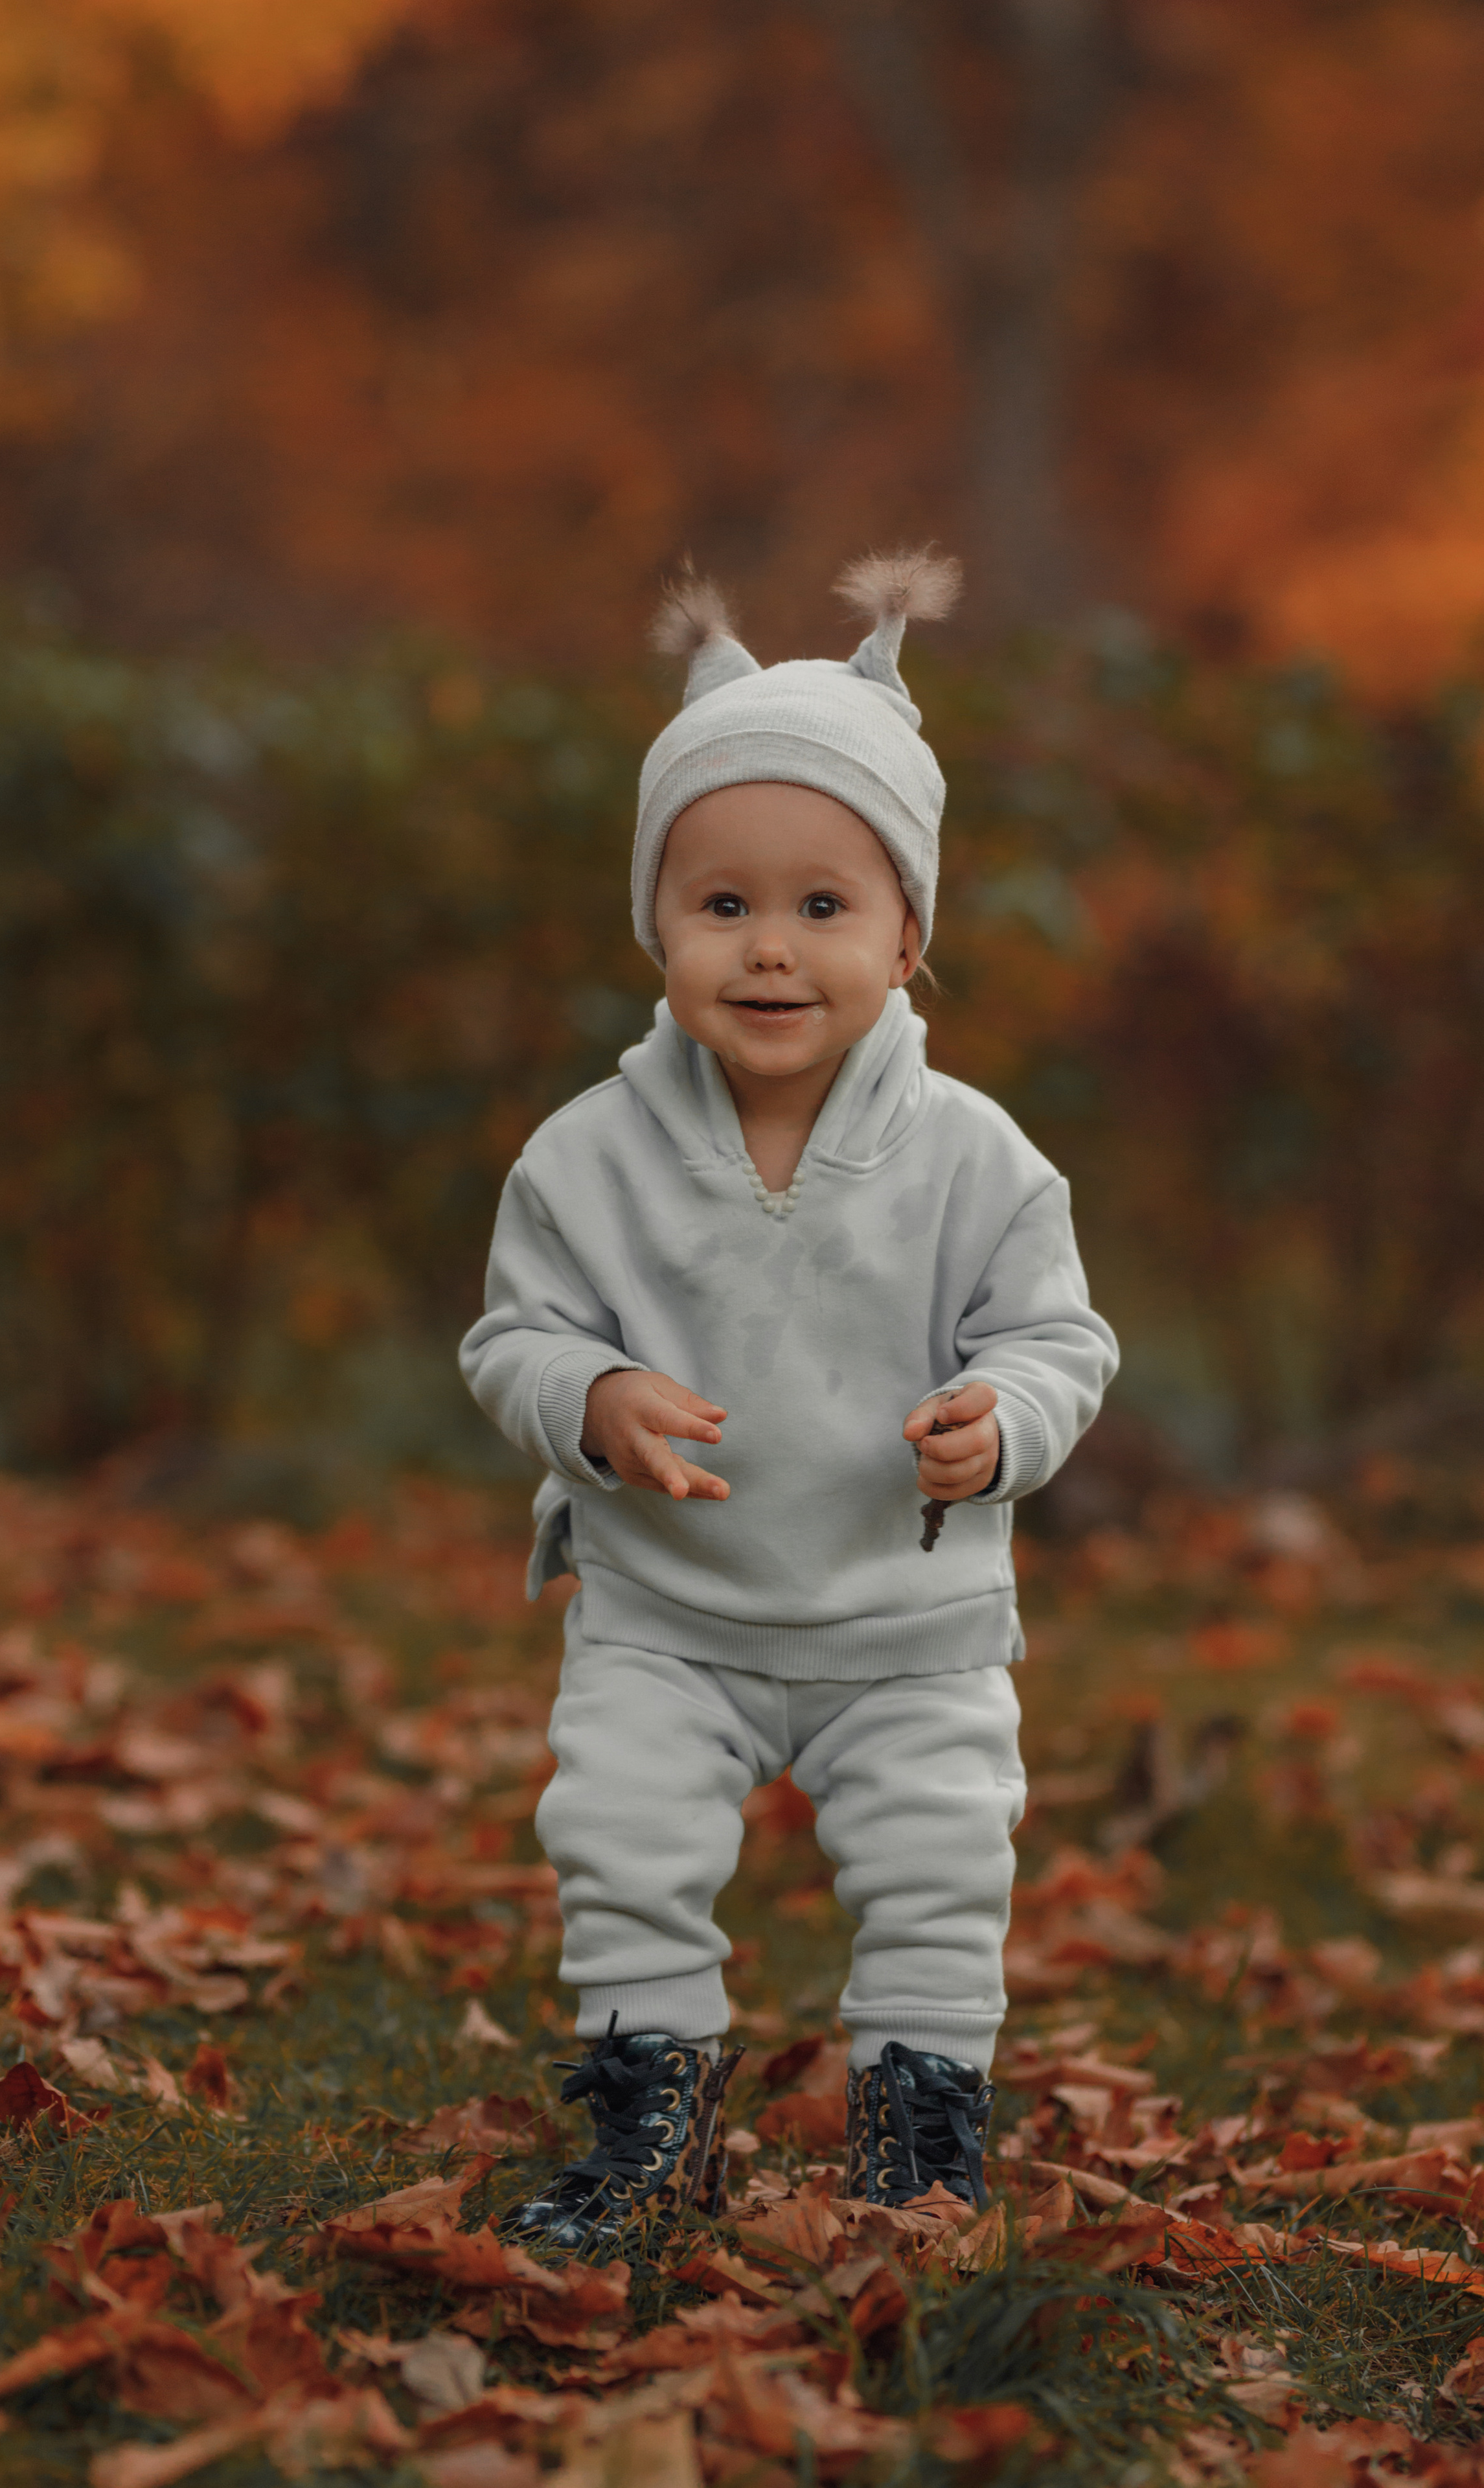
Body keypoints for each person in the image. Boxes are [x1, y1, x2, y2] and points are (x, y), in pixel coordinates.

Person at [459, 549, 1117, 2257]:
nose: (771, 951)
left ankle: (917, 2137)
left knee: (935, 1870)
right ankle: (649, 2118)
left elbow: (1062, 1339)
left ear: (909, 933)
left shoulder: (976, 1157)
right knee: (618, 1837)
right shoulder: (588, 1157)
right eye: (723, 905)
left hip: (908, 1621)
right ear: (657, 928)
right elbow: (510, 1336)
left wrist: (1005, 1415)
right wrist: (590, 1397)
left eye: (825, 908)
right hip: (664, 1615)